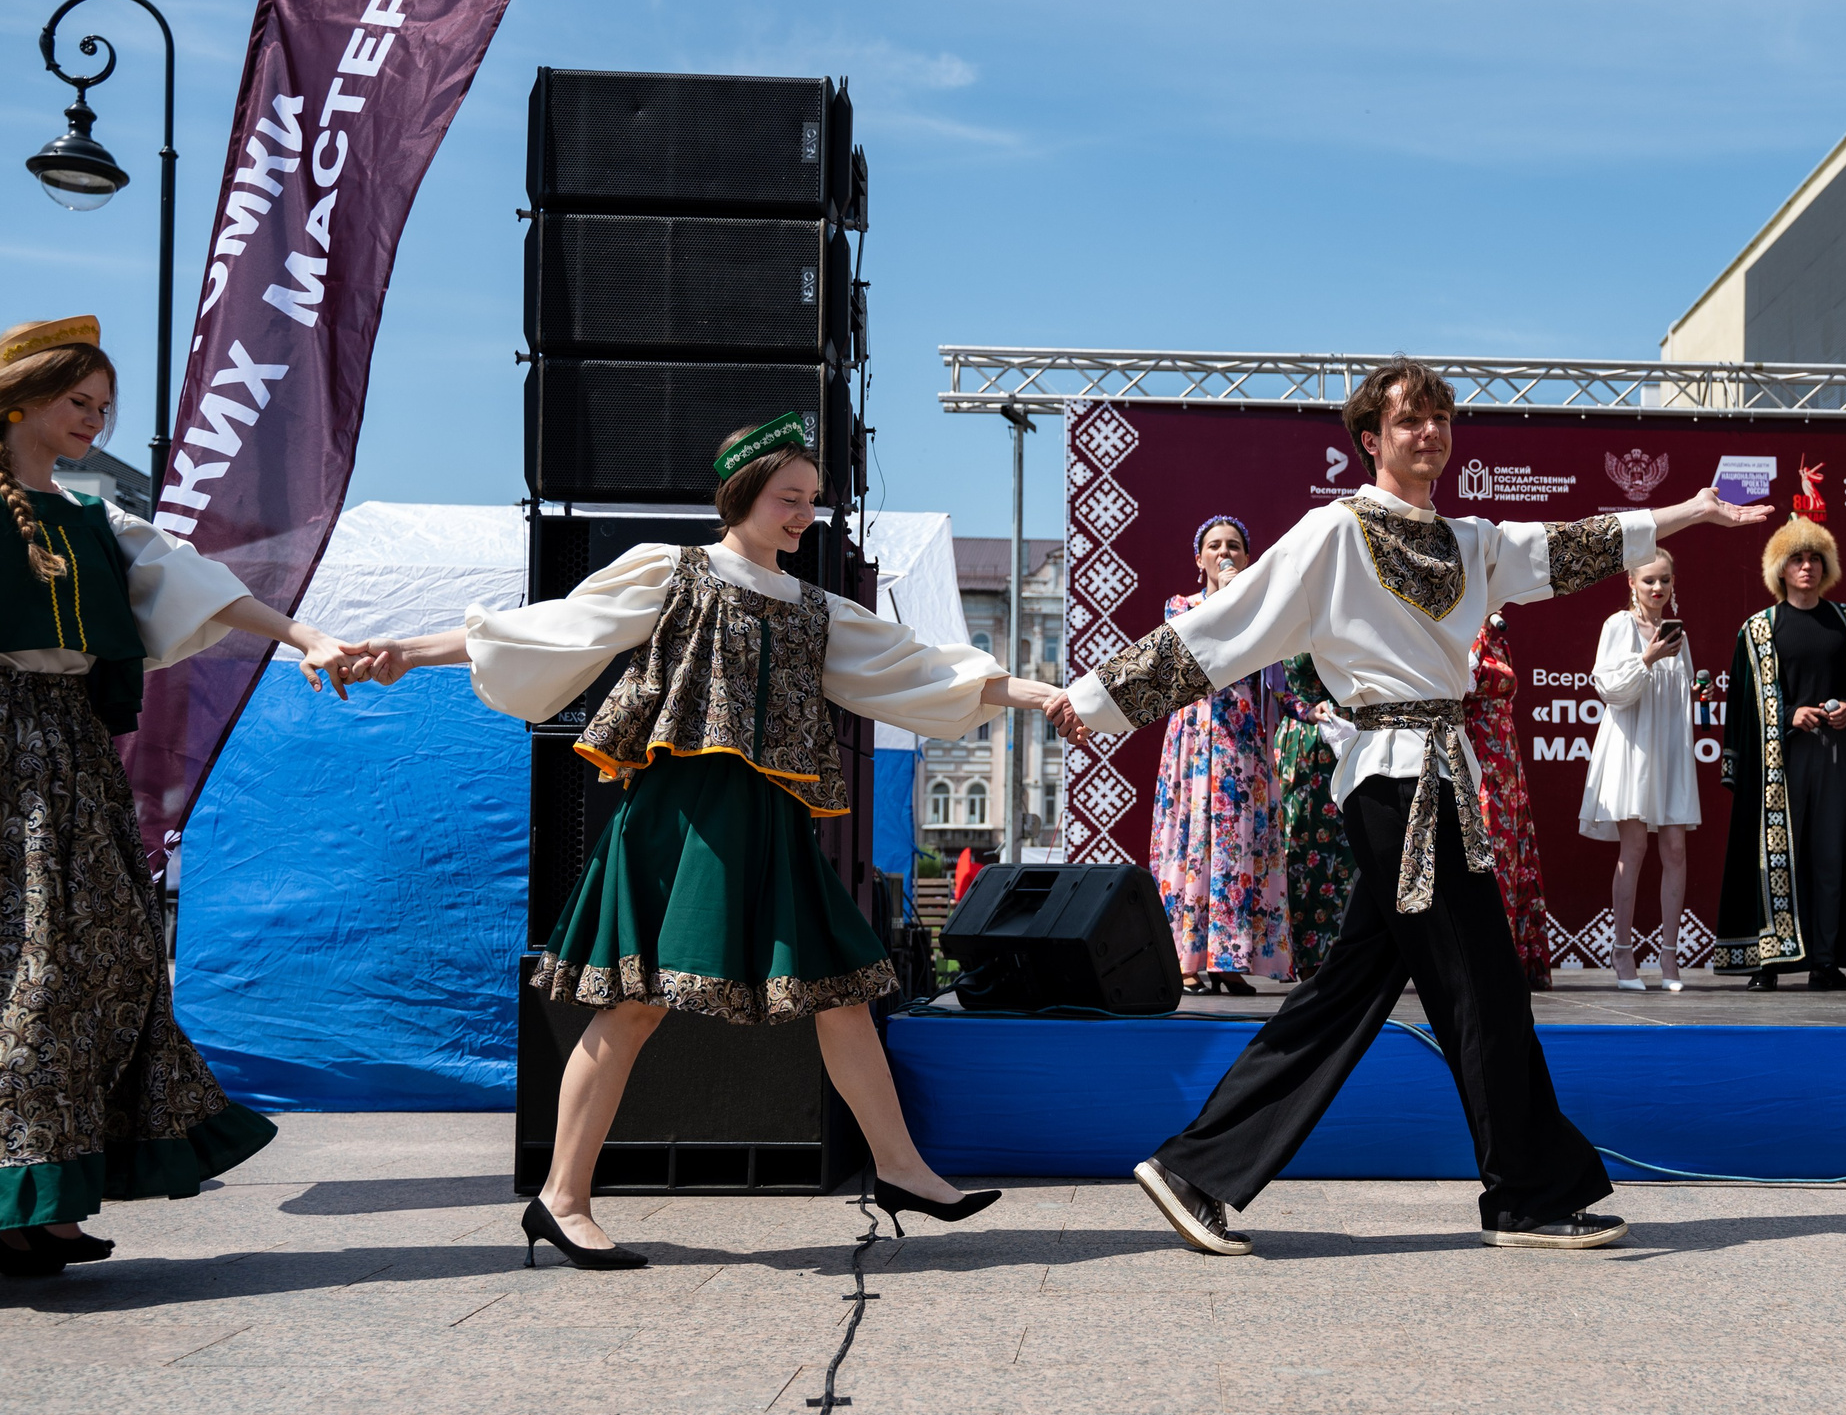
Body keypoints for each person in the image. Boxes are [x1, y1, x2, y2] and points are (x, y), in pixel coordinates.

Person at [1046, 359, 1770, 1254]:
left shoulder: (1471, 542)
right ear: (1370, 439)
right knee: (1486, 987)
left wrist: (1689, 512)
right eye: (1408, 420)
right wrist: (1094, 700)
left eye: (1439, 417)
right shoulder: (1333, 533)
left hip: (1439, 777)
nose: (1429, 432)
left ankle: (1199, 1167)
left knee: (1350, 992)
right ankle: (1529, 1195)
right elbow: (1224, 626)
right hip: (1393, 781)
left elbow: (1569, 545)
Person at [350, 414, 1052, 1263]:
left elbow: (924, 669)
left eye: (812, 502)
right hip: (680, 821)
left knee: (840, 991)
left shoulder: (818, 610)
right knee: (637, 1001)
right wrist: (408, 649)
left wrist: (1040, 694)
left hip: (771, 826)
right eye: (789, 498)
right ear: (743, 492)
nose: (804, 515)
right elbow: (553, 628)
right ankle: (562, 1196)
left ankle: (902, 1167)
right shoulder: (674, 574)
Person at [0, 316, 357, 1277]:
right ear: (21, 399)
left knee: (95, 968)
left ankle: (47, 1197)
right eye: (79, 401)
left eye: (104, 407)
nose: (96, 420)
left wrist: (305, 635)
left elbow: (195, 582)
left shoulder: (91, 520)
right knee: (26, 974)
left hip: (68, 756)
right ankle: (25, 1199)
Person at [1713, 462, 1846, 990]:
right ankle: (1770, 961)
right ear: (1779, 568)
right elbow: (1743, 706)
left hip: (1838, 757)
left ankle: (1824, 960)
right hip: (1781, 759)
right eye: (1797, 559)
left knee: (1831, 855)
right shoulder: (1757, 629)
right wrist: (1788, 712)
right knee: (1778, 856)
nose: (1806, 567)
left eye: (1814, 559)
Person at [1149, 516, 1290, 994]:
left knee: (1237, 845)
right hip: (1197, 740)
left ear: (1248, 558)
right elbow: (1194, 650)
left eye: (1234, 546)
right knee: (1193, 841)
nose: (1224, 553)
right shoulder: (1180, 606)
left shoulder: (1260, 610)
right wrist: (1230, 600)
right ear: (1199, 559)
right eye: (1214, 546)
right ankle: (1185, 960)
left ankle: (1228, 958)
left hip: (1243, 745)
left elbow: (1275, 677)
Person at [1579, 552, 1699, 991]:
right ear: (1631, 581)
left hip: (1668, 749)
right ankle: (1622, 953)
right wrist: (1647, 658)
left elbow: (1676, 693)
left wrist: (1695, 689)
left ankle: (1670, 960)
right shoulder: (1618, 626)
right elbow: (1610, 689)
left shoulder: (1676, 634)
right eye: (1649, 580)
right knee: (1634, 850)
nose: (1657, 588)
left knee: (1675, 850)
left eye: (1665, 580)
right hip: (1632, 748)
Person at [1464, 613, 1554, 990]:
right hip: (1478, 752)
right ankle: (1484, 959)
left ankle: (1512, 955)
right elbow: (1463, 676)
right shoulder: (1467, 629)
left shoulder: (1496, 634)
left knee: (1510, 852)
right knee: (1488, 852)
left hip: (1504, 752)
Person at [1271, 652, 1355, 979]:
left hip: (1349, 737)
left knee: (1347, 851)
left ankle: (1343, 957)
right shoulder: (1288, 617)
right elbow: (1278, 684)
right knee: (1301, 848)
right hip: (1303, 741)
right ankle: (1303, 957)